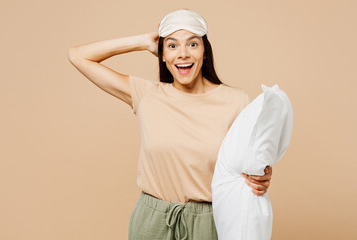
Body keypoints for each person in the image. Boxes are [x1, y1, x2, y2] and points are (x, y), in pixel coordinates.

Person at [68, 8, 272, 240]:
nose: (183, 53)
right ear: (162, 54)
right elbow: (77, 56)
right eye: (172, 45)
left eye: (193, 44)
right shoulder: (146, 95)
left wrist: (261, 176)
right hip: (152, 220)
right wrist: (143, 42)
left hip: (209, 221)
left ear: (205, 52)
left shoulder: (236, 100)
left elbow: (248, 163)